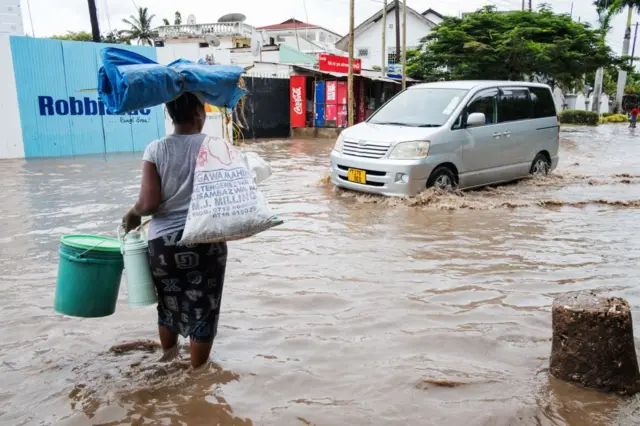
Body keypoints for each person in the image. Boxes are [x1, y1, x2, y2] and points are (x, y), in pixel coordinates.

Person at [122, 92, 228, 369]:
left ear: (171, 115)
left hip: (163, 246)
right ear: (198, 114)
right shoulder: (214, 145)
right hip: (206, 239)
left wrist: (132, 214)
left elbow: (149, 204)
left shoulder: (155, 149)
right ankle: (197, 377)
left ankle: (168, 359)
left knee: (168, 305)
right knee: (204, 310)